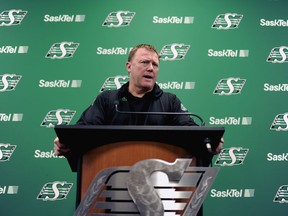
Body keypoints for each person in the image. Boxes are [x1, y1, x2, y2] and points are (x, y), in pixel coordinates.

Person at [54, 43, 224, 156]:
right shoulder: (107, 99)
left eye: (155, 64)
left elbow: (190, 131)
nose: (150, 68)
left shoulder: (169, 101)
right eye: (144, 62)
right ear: (129, 66)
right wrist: (67, 143)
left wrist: (207, 142)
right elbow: (83, 131)